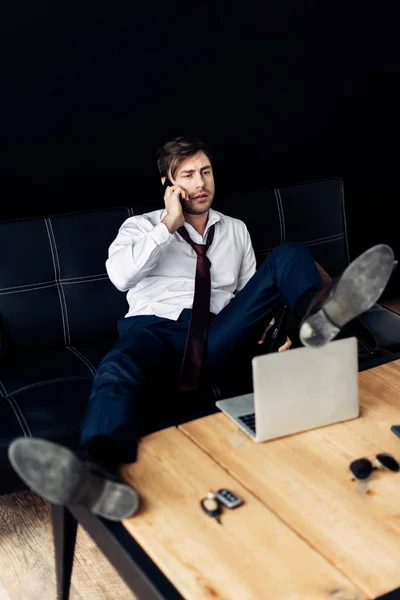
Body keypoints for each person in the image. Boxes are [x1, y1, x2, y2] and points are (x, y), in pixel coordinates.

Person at [8, 136, 395, 521]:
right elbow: (120, 277)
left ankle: (317, 317)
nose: (201, 183)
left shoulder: (235, 231)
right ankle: (99, 471)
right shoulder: (138, 228)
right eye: (189, 175)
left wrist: (281, 325)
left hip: (220, 334)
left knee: (290, 253)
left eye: (206, 172)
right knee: (116, 370)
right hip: (154, 332)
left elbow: (251, 296)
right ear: (168, 184)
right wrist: (167, 225)